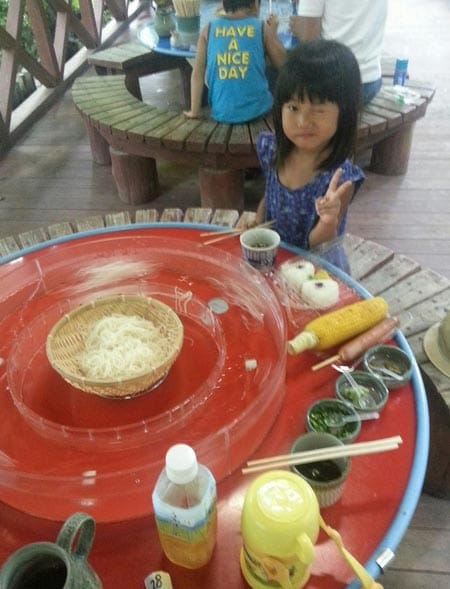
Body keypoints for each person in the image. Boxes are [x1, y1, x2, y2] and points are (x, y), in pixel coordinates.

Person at [253, 39, 365, 271]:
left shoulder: (339, 178)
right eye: (293, 107)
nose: (303, 121)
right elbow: (270, 195)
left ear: (344, 113)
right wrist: (257, 223)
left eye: (318, 110)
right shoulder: (273, 149)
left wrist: (328, 220)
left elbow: (319, 244)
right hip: (273, 261)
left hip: (314, 273)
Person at [183, 0, 285, 123]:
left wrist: (194, 111)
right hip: (258, 112)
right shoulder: (261, 27)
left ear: (224, 4)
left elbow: (197, 74)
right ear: (254, 4)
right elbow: (283, 65)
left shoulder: (208, 29)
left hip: (221, 113)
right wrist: (273, 33)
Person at [289, 0, 388, 105]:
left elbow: (310, 45)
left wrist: (300, 29)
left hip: (333, 87)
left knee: (282, 80)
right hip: (371, 80)